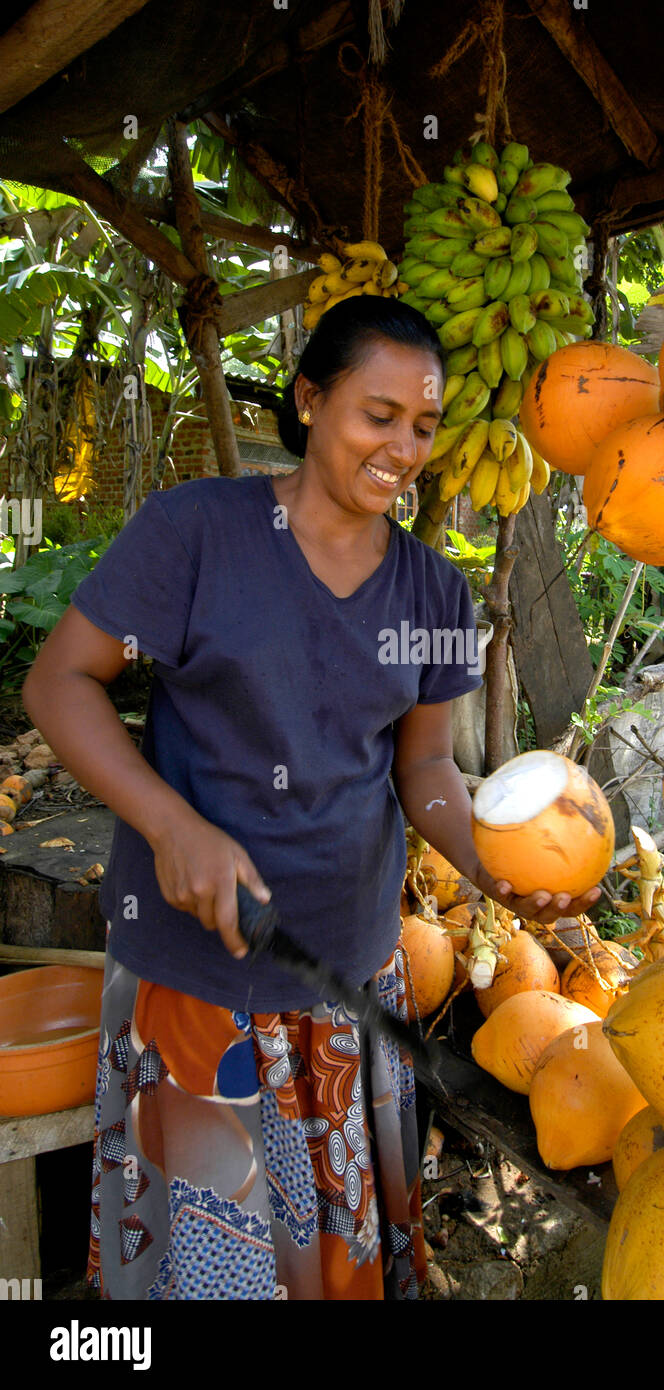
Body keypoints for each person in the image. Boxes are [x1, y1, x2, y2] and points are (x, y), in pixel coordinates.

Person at [22, 295, 600, 1301]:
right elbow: (58, 683)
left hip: (345, 981)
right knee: (205, 1270)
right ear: (309, 399)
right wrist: (171, 823)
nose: (404, 447)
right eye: (378, 415)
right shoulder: (195, 533)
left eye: (423, 426)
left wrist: (496, 867)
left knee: (331, 1265)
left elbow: (423, 773)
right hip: (190, 982)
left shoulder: (434, 594)